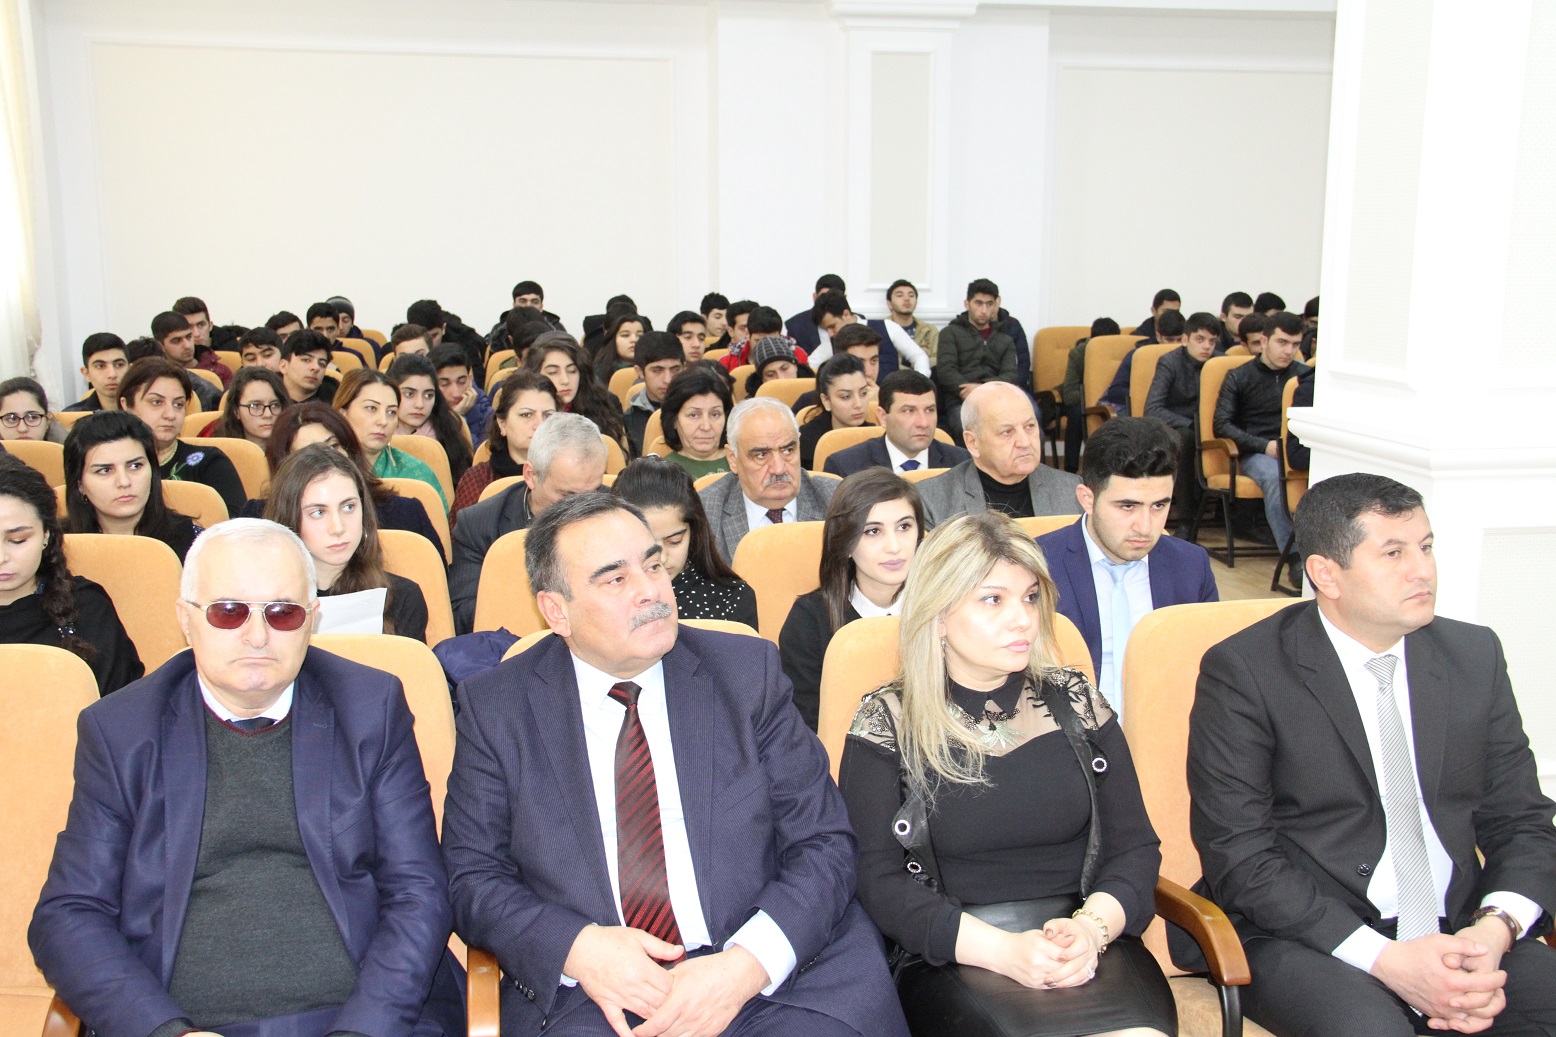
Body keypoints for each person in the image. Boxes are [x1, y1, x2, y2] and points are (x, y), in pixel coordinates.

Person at [441, 490, 908, 1037]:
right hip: (598, 993)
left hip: (768, 974)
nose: (650, 590)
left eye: (654, 565)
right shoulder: (497, 708)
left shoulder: (746, 674)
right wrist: (578, 948)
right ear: (556, 610)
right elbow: (473, 877)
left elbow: (824, 841)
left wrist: (743, 968)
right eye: (615, 579)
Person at [30, 518, 464, 1037]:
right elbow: (70, 913)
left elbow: (418, 891)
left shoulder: (371, 708)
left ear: (312, 620)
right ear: (186, 619)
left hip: (361, 1016)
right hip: (186, 1023)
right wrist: (165, 1031)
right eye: (228, 611)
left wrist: (362, 1030)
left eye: (282, 613)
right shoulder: (121, 730)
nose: (257, 635)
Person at [1187, 473, 1556, 1037]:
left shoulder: (1472, 655)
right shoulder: (1245, 672)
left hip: (1461, 929)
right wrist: (1387, 961)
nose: (1422, 570)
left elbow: (1522, 820)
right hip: (1310, 936)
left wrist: (1494, 930)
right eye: (1393, 553)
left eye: (1426, 547)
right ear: (1325, 574)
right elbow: (1241, 856)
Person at [840, 511, 1173, 1037]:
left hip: (1089, 945)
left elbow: (1135, 846)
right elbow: (874, 879)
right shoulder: (888, 721)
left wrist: (1091, 930)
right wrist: (1002, 951)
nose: (1022, 619)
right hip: (955, 954)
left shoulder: (1077, 703)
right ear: (938, 614)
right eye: (993, 599)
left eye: (1030, 597)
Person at [1036, 417, 1217, 712]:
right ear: (1087, 499)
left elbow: (1210, 672)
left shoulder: (1191, 566)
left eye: (1159, 505)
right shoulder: (1036, 565)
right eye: (1127, 506)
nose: (1145, 527)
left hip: (1165, 726)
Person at [780, 469, 924, 730]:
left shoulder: (945, 608)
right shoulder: (809, 621)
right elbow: (806, 728)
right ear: (845, 543)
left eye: (904, 527)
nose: (894, 546)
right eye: (873, 531)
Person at [450, 413, 607, 633]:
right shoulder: (479, 525)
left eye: (593, 493)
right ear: (531, 475)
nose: (581, 507)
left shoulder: (620, 516)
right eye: (567, 496)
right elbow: (465, 616)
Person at [0, 454, 142, 693]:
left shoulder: (87, 608)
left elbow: (118, 704)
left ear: (46, 535)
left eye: (17, 540)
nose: (2, 557)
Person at [264, 444, 428, 641]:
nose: (338, 527)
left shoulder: (401, 599)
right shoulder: (259, 604)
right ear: (289, 519)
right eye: (318, 512)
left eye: (349, 507)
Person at [260, 403, 442, 548]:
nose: (325, 460)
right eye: (309, 453)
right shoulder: (260, 521)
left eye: (333, 446)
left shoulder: (405, 514)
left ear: (351, 451)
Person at [613, 457, 759, 629]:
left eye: (674, 542)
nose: (662, 558)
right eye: (649, 548)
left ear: (694, 532)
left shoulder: (732, 598)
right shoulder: (602, 598)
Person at [916, 382, 1082, 527]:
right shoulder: (931, 501)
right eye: (1007, 432)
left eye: (1030, 426)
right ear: (973, 443)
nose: (1025, 442)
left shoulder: (1070, 490)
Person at [698, 397, 840, 562]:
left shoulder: (837, 501)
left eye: (788, 450)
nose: (778, 469)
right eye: (761, 455)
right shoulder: (705, 513)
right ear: (733, 459)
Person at [1212, 310, 1309, 550]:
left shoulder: (1304, 377)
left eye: (1295, 344)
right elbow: (1221, 424)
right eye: (1282, 342)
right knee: (1276, 477)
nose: (1289, 351)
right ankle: (1294, 556)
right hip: (1258, 452)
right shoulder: (1239, 376)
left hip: (1297, 450)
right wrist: (1264, 446)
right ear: (1264, 341)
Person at [63, 410, 202, 562]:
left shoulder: (196, 545)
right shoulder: (57, 546)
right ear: (80, 484)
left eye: (135, 466)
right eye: (105, 470)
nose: (124, 482)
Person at [118, 358, 246, 518]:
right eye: (156, 402)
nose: (170, 414)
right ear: (127, 406)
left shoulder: (209, 463)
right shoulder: (107, 465)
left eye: (178, 404)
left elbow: (238, 527)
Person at [1144, 312, 1221, 533]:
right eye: (1200, 339)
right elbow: (1153, 408)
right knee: (1186, 439)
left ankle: (1238, 517)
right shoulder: (1169, 362)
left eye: (1212, 341)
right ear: (1185, 339)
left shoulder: (1220, 362)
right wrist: (1189, 423)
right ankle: (1186, 519)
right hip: (1177, 427)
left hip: (1212, 426)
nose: (1206, 346)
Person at [450, 370, 559, 521]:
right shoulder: (478, 480)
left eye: (548, 415)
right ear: (502, 424)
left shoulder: (570, 474)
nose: (539, 424)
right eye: (526, 415)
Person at [334, 367, 447, 509]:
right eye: (371, 408)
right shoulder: (321, 468)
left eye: (391, 412)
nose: (383, 421)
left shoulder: (417, 474)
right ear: (342, 414)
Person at [822, 370, 970, 478]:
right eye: (908, 411)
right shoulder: (846, 468)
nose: (923, 423)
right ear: (883, 417)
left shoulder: (962, 463)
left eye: (929, 410)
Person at [936, 278, 1023, 438]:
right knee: (966, 429)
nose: (984, 310)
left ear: (995, 306)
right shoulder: (950, 333)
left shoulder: (1005, 338)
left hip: (998, 399)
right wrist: (970, 392)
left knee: (1026, 425)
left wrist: (981, 389)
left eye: (989, 304)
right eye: (978, 303)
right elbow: (946, 371)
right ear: (967, 304)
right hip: (961, 400)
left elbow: (1010, 375)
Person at [522, 333, 628, 449]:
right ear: (535, 374)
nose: (565, 380)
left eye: (572, 371)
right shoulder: (523, 411)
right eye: (553, 372)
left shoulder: (604, 405)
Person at [389, 353, 474, 484]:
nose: (420, 404)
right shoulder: (376, 435)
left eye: (428, 395)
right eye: (409, 394)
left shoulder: (449, 432)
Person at [1060, 319, 1123, 473]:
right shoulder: (1079, 353)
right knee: (1076, 412)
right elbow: (1069, 394)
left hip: (1113, 400)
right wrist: (1093, 397)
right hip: (1084, 400)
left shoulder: (1121, 352)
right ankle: (1070, 469)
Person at [1097, 309, 1188, 416]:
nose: (1174, 345)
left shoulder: (1189, 357)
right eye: (1169, 340)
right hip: (1142, 410)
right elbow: (1115, 391)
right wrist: (1148, 394)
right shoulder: (1137, 356)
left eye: (1179, 340)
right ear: (1158, 336)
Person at [798, 354, 872, 469]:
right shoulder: (806, 444)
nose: (858, 404)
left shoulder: (877, 435)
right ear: (826, 401)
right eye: (846, 396)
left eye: (863, 393)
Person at [657, 366, 732, 479]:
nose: (706, 426)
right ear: (674, 420)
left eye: (715, 414)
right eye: (694, 415)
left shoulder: (744, 464)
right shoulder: (662, 475)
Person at [623, 331, 685, 457]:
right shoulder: (628, 422)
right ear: (640, 372)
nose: (668, 379)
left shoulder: (700, 412)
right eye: (657, 370)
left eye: (675, 369)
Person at [151, 311, 224, 408]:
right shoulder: (149, 378)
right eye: (176, 341)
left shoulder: (212, 385)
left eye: (189, 337)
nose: (187, 345)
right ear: (160, 346)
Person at [867, 278, 937, 374]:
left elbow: (938, 360)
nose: (907, 299)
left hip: (925, 378)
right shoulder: (879, 330)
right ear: (889, 304)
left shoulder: (930, 330)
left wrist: (915, 361)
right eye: (900, 295)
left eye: (911, 295)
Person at [209, 365, 288, 449]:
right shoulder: (218, 450)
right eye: (255, 406)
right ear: (236, 411)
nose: (268, 414)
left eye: (275, 405)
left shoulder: (294, 447)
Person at [430, 343, 493, 443]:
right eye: (444, 384)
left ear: (470, 381)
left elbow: (474, 451)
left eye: (462, 382)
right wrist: (454, 418)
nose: (456, 393)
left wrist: (458, 420)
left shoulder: (487, 414)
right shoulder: (421, 414)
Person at [169, 297, 235, 388]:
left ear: (210, 325)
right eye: (189, 327)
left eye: (201, 325)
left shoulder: (233, 349)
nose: (196, 334)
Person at [63, 332, 129, 412]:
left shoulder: (142, 412)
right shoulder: (72, 416)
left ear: (130, 369)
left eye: (119, 365)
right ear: (86, 374)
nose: (112, 374)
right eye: (100, 366)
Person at [786, 272, 846, 353]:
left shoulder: (858, 321)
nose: (827, 301)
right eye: (823, 296)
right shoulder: (794, 326)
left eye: (834, 298)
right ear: (815, 297)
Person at [278, 328, 340, 405]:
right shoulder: (268, 396)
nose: (316, 368)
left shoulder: (337, 402)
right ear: (283, 366)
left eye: (322, 364)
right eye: (306, 360)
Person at [0, 376, 69, 444]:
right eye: (12, 419)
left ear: (48, 420)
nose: (22, 429)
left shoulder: (69, 449)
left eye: (32, 417)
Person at [593, 310, 647, 386]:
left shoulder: (653, 369)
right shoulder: (598, 373)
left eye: (640, 336)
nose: (634, 340)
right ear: (613, 340)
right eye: (625, 335)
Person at [805, 291, 859, 364]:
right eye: (826, 330)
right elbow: (809, 364)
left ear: (846, 315)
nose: (830, 334)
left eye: (832, 326)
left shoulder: (876, 329)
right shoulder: (832, 343)